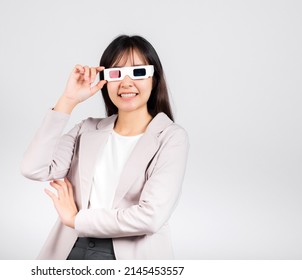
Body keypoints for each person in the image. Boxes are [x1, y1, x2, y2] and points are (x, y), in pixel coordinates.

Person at [21, 35, 189, 260]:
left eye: (138, 72)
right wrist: (68, 100)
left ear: (154, 79)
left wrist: (76, 220)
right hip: (71, 248)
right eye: (115, 73)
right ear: (105, 80)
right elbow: (34, 168)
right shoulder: (87, 130)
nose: (126, 83)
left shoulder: (170, 137)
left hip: (130, 256)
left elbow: (151, 217)